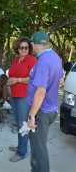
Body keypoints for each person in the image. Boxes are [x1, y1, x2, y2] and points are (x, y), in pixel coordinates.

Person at [27, 31, 64, 172]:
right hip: (52, 108)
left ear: (33, 44)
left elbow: (40, 92)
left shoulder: (42, 62)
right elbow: (61, 81)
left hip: (40, 112)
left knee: (38, 149)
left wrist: (31, 116)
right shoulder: (55, 57)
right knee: (40, 145)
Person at [7, 37, 37, 162]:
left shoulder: (32, 60)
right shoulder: (15, 60)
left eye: (26, 47)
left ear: (29, 48)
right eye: (21, 47)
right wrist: (10, 81)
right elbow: (11, 75)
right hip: (14, 95)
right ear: (17, 48)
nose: (24, 49)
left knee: (23, 124)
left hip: (25, 96)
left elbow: (35, 78)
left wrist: (18, 80)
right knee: (19, 123)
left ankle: (21, 153)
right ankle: (21, 146)